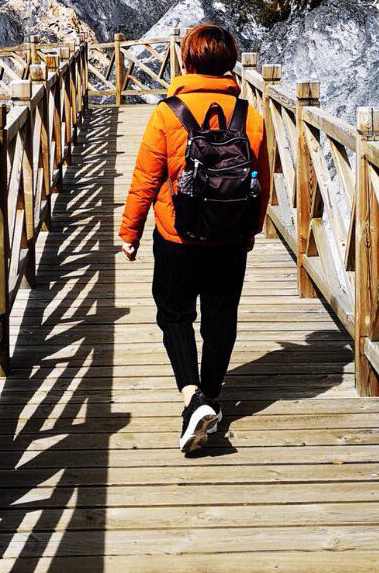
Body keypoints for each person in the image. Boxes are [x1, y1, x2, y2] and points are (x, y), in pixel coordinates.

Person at [118, 23, 269, 454]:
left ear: (186, 61)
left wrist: (130, 232)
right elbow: (262, 180)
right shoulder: (250, 116)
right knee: (221, 316)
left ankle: (191, 397)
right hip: (228, 237)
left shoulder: (168, 114)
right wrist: (250, 230)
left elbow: (146, 178)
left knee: (175, 314)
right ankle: (213, 396)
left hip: (177, 235)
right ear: (230, 64)